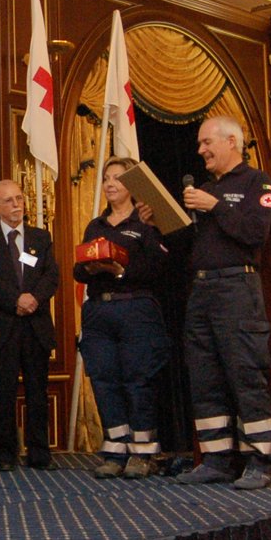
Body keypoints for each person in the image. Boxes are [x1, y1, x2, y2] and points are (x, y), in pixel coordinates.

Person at [177, 117, 271, 490]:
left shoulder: (258, 182)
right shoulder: (206, 188)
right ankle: (217, 459)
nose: (201, 150)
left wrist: (216, 205)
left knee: (244, 373)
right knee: (205, 377)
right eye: (200, 144)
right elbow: (193, 246)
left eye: (207, 143)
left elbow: (254, 233)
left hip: (238, 288)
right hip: (201, 292)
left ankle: (258, 462)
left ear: (232, 141)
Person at [74, 157, 172, 479]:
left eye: (117, 177)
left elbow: (158, 268)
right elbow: (77, 269)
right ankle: (115, 449)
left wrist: (121, 271)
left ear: (132, 185)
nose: (110, 183)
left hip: (136, 310)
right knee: (104, 380)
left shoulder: (145, 222)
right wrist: (91, 268)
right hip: (99, 313)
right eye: (106, 178)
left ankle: (143, 453)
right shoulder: (95, 226)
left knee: (137, 379)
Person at [0, 180, 58, 470]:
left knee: (37, 392)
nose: (16, 205)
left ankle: (39, 452)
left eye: (19, 198)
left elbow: (51, 276)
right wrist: (16, 299)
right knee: (2, 392)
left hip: (36, 326)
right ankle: (4, 453)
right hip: (4, 325)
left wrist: (33, 297)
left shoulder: (40, 237)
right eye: (8, 201)